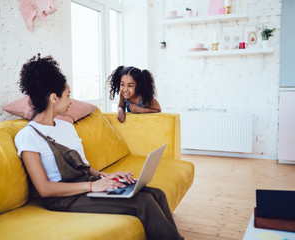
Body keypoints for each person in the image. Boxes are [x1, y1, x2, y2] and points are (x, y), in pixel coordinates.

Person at [14, 54, 184, 240]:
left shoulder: (66, 127)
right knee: (143, 202)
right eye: (68, 95)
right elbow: (44, 189)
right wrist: (93, 186)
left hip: (86, 185)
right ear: (54, 98)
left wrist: (106, 176)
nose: (71, 101)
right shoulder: (28, 136)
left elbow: (83, 167)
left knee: (156, 194)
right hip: (63, 198)